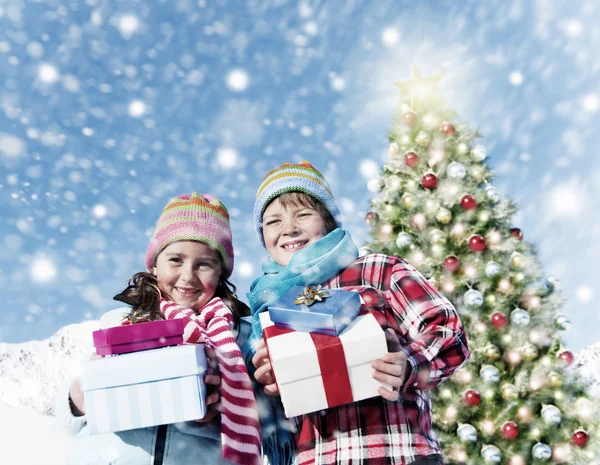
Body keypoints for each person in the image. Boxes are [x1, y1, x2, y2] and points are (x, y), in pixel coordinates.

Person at [245, 161, 470, 465]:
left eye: (303, 214)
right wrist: (272, 382)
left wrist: (409, 364)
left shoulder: (377, 271)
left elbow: (447, 331)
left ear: (327, 222)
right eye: (273, 221)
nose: (289, 228)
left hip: (397, 453)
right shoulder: (270, 306)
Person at [56, 192, 261, 465]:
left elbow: (273, 422)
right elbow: (70, 420)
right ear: (153, 265)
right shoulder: (118, 324)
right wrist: (91, 386)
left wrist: (230, 403)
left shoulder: (241, 339)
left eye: (204, 264)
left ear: (221, 273)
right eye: (175, 260)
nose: (188, 276)